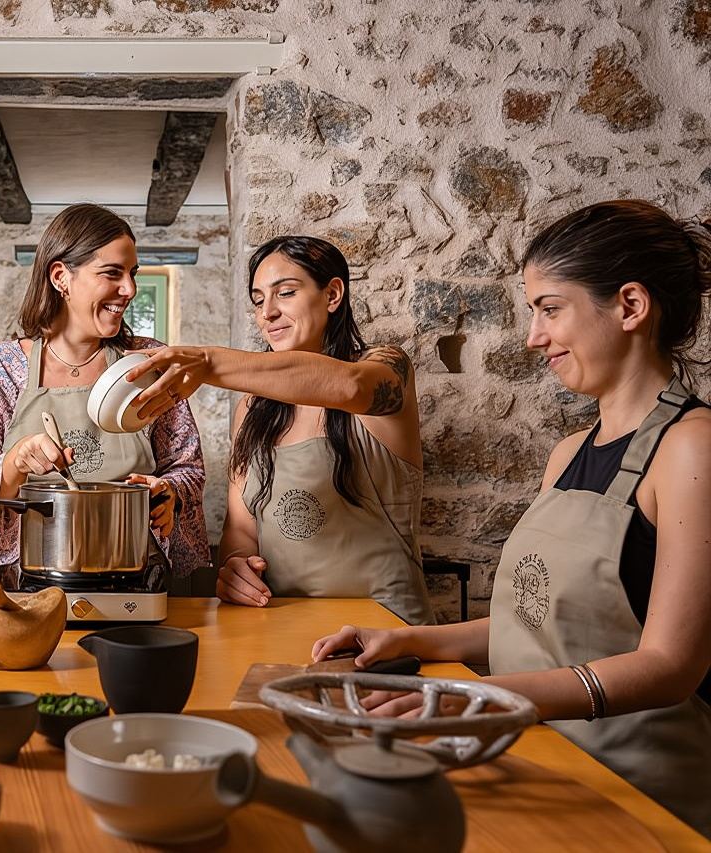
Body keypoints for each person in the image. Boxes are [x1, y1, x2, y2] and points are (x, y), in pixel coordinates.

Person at [312, 200, 711, 837]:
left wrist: (481, 699)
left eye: (550, 309)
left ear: (631, 306)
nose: (534, 337)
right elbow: (533, 619)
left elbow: (671, 665)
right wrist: (415, 640)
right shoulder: (569, 452)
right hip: (545, 759)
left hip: (635, 796)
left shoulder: (691, 448)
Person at [126, 236, 433, 625]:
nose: (267, 313)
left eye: (285, 293)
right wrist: (237, 568)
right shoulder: (252, 410)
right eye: (258, 300)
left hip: (387, 632)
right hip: (278, 627)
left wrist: (207, 362)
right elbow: (241, 527)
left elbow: (349, 386)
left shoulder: (386, 368)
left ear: (333, 294)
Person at [0, 203, 208, 590]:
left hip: (137, 575)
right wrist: (16, 461)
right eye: (112, 273)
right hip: (32, 580)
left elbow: (188, 467)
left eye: (133, 274)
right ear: (60, 277)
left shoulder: (148, 362)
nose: (130, 290)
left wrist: (168, 492)